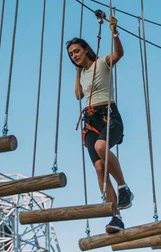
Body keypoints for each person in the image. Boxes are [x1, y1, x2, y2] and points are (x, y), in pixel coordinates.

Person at [67, 16, 133, 234]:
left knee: (101, 148)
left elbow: (119, 54)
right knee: (98, 168)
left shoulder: (101, 63)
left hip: (108, 115)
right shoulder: (83, 73)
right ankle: (115, 216)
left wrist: (114, 33)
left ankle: (124, 189)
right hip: (90, 121)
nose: (74, 55)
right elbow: (78, 95)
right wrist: (77, 71)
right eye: (70, 54)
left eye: (76, 51)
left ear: (86, 49)